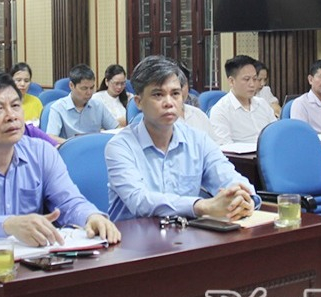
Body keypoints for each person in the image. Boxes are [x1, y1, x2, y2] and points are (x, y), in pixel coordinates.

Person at [0, 70, 121, 247]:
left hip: (34, 261)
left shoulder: (41, 153)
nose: (11, 116)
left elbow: (68, 201)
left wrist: (90, 216)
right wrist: (8, 225)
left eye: (15, 106)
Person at [106, 56, 259, 221]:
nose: (169, 102)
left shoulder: (198, 140)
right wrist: (202, 206)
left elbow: (228, 177)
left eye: (175, 94)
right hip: (133, 234)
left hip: (185, 233)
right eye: (158, 94)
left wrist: (245, 198)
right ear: (139, 102)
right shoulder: (120, 146)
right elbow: (140, 201)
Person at [208, 55, 276, 144]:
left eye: (255, 79)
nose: (252, 84)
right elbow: (224, 146)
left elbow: (276, 133)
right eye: (246, 79)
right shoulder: (220, 111)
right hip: (242, 153)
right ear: (231, 81)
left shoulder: (262, 104)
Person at [45, 64, 118, 141]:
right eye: (84, 88)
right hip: (70, 147)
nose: (89, 92)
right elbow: (51, 137)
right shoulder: (58, 107)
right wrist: (76, 144)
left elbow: (116, 129)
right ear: (71, 85)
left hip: (94, 146)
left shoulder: (98, 105)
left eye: (92, 88)